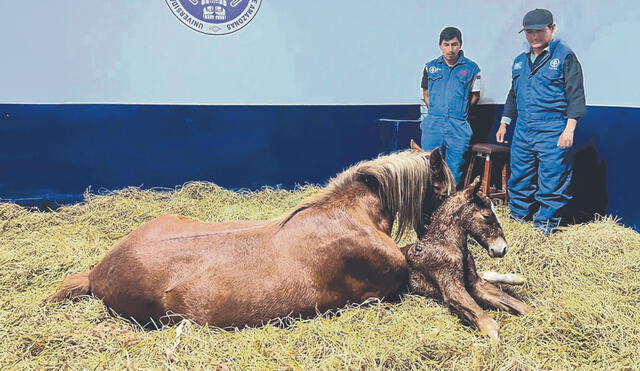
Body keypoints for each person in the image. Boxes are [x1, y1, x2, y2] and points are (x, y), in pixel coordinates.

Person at [496, 8, 586, 235]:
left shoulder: (565, 56)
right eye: (529, 32)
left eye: (539, 31)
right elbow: (513, 95)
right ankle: (517, 222)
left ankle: (544, 229)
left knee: (552, 181)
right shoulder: (519, 61)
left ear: (552, 29)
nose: (534, 37)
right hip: (524, 129)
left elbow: (575, 94)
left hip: (553, 129)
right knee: (520, 177)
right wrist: (505, 122)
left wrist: (570, 128)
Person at [420, 27, 481, 185]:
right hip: (433, 123)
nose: (450, 49)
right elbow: (425, 92)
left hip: (458, 125)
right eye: (446, 44)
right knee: (428, 166)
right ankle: (429, 206)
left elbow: (475, 96)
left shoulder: (472, 68)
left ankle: (451, 205)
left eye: (454, 44)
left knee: (455, 168)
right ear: (440, 45)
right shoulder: (430, 67)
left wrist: (460, 110)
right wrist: (435, 110)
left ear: (460, 45)